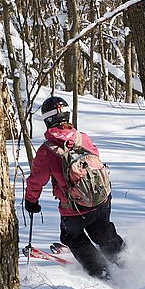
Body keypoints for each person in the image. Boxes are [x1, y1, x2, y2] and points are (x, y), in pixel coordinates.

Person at [24, 96, 125, 279]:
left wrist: (31, 201)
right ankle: (124, 260)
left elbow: (36, 180)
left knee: (71, 237)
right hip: (102, 198)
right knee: (102, 232)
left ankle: (100, 272)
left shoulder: (47, 151)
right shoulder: (82, 138)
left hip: (75, 208)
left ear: (47, 120)